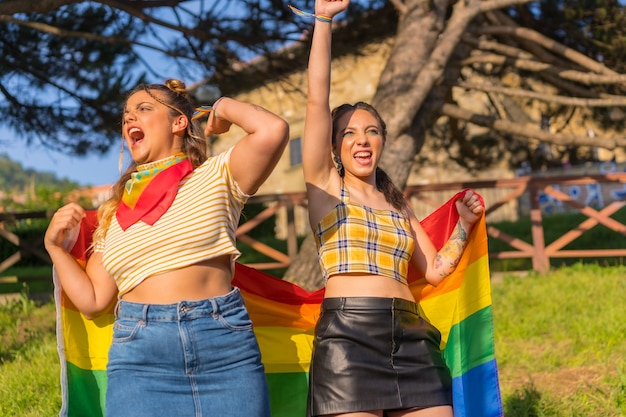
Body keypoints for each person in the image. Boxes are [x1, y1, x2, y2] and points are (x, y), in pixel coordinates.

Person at [44, 79, 289, 417]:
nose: (130, 119)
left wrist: (222, 108)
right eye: (126, 115)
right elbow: (93, 301)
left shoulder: (217, 176)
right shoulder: (114, 211)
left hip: (223, 344)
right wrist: (54, 247)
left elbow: (273, 129)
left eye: (144, 109)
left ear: (179, 122)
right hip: (139, 355)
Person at [300, 1, 484, 416]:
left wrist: (464, 226)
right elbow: (317, 99)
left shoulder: (398, 204)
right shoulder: (325, 188)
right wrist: (324, 21)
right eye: (348, 133)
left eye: (372, 132)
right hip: (348, 338)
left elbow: (434, 269)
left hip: (413, 335)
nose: (361, 140)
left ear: (382, 141)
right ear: (334, 146)